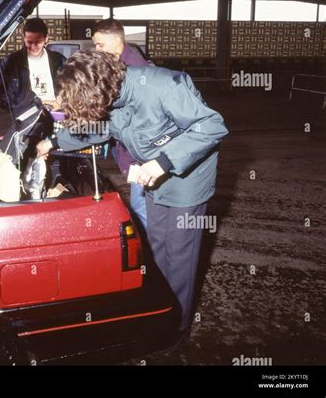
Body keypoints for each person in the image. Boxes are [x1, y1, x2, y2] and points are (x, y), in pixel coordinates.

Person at [37, 50, 228, 337]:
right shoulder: (112, 94)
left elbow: (212, 126)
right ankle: (162, 308)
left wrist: (163, 162)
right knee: (156, 247)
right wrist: (53, 141)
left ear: (96, 89)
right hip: (153, 177)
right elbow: (99, 129)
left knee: (179, 257)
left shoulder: (164, 85)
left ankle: (176, 326)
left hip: (186, 179)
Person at [92, 18, 149, 228]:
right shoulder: (119, 63)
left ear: (116, 41)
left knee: (140, 208)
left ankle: (150, 256)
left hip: (141, 154)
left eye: (100, 45)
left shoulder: (133, 70)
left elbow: (128, 118)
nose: (97, 50)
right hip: (129, 150)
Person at [0, 17, 65, 115]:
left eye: (38, 42)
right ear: (24, 37)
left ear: (46, 38)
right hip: (27, 115)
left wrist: (63, 102)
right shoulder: (10, 62)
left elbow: (72, 86)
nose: (33, 47)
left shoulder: (59, 60)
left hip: (56, 112)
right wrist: (20, 106)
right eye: (29, 42)